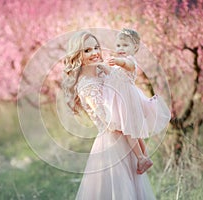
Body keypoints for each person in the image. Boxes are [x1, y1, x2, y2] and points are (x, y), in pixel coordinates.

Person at [62, 31, 156, 200]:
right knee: (119, 191)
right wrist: (128, 115)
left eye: (96, 47)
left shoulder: (103, 71)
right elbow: (109, 121)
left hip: (126, 139)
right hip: (112, 145)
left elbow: (124, 83)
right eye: (87, 50)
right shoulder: (86, 86)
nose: (95, 53)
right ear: (78, 56)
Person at [99, 28, 172, 172]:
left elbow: (127, 65)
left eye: (125, 46)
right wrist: (102, 67)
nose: (121, 48)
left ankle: (141, 158)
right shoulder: (118, 65)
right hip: (121, 100)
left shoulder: (130, 61)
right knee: (134, 132)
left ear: (135, 48)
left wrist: (118, 61)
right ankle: (145, 156)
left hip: (126, 100)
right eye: (119, 45)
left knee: (129, 130)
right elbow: (113, 74)